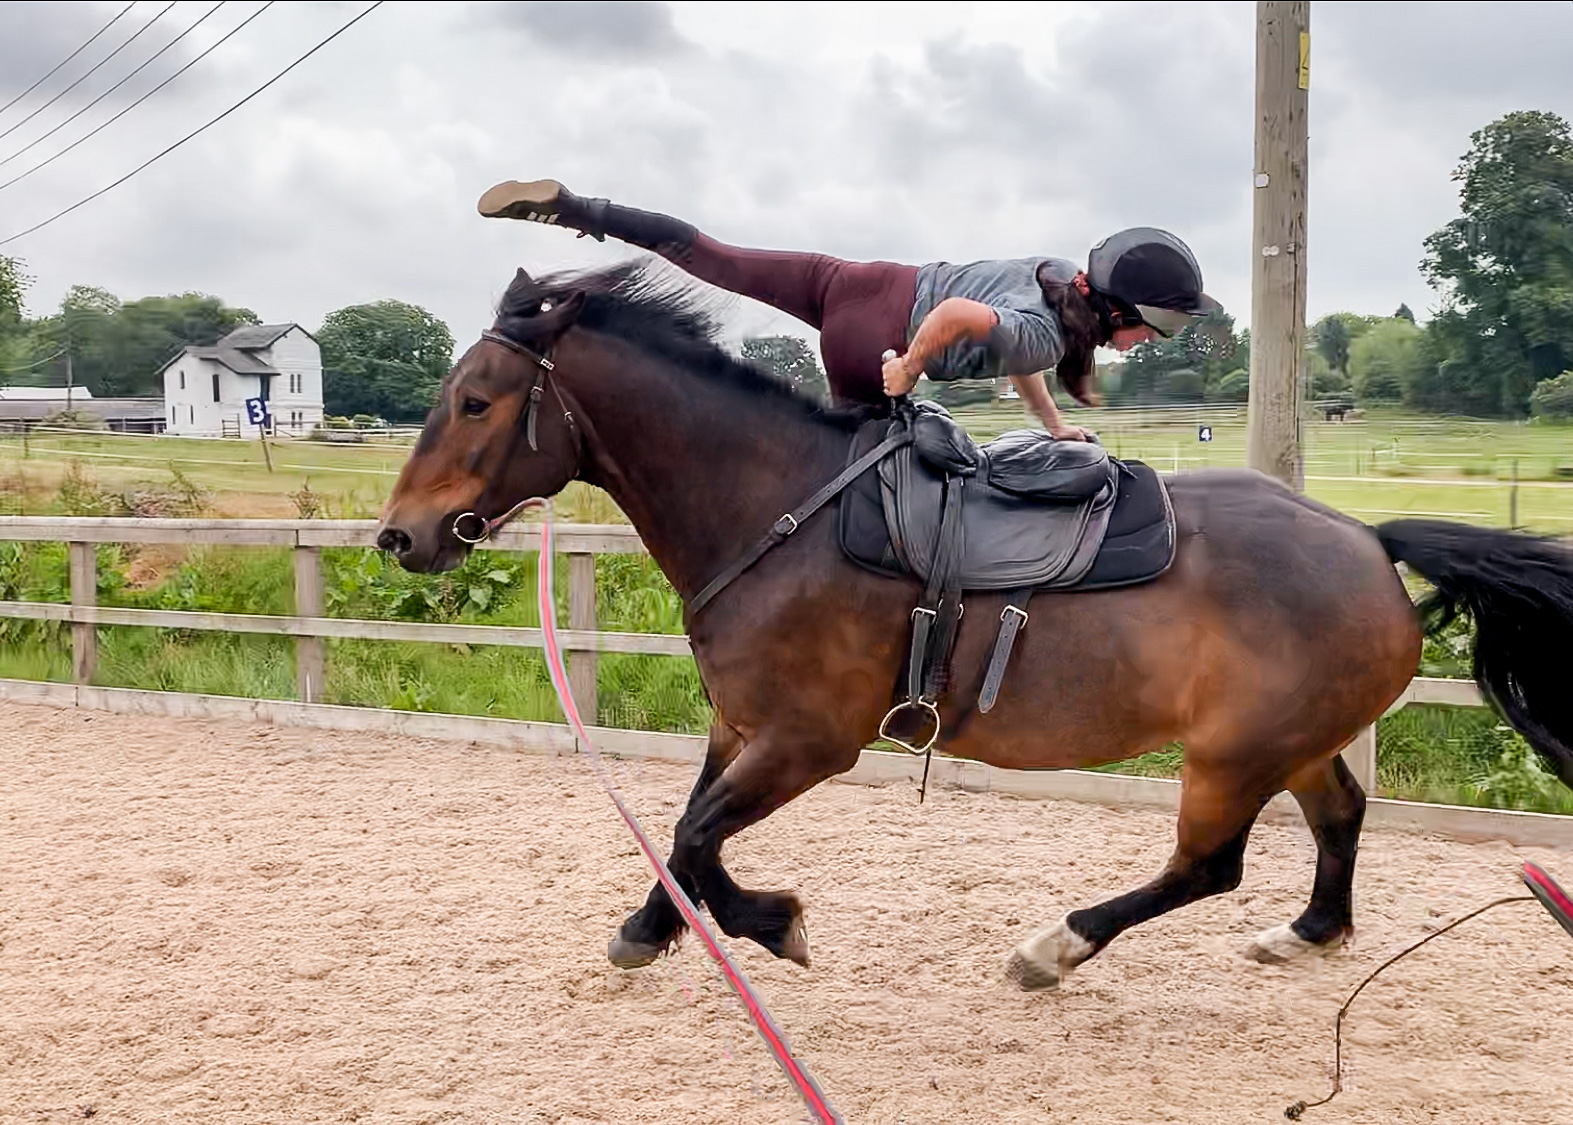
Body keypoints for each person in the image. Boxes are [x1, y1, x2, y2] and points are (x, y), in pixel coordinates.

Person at [477, 179, 1220, 441]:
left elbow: (1002, 331)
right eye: (1142, 330)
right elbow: (961, 316)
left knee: (717, 256)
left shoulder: (1057, 277)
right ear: (1114, 312)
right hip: (878, 338)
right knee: (855, 477)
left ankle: (584, 208)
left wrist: (1054, 422)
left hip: (853, 282)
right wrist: (910, 369)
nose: (1139, 345)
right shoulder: (1041, 339)